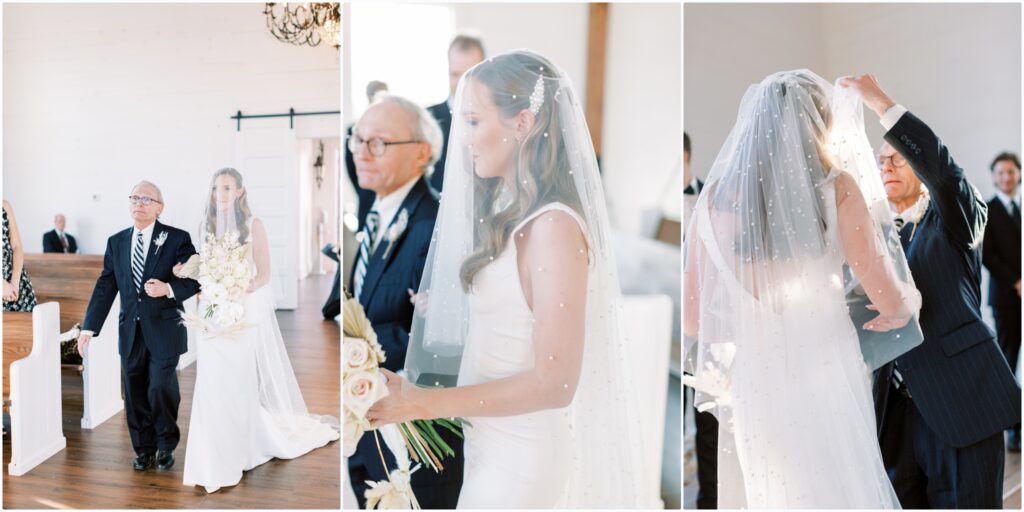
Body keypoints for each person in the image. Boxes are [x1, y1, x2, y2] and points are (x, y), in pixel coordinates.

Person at [366, 50, 647, 508]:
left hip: (523, 457)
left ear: (523, 123)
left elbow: (555, 382)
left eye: (474, 122)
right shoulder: (508, 211)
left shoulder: (553, 228)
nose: (464, 140)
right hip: (488, 443)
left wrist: (421, 402)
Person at [684, 70, 922, 508]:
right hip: (826, 371)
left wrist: (754, 326)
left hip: (758, 380)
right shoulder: (838, 190)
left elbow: (695, 321)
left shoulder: (713, 200)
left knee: (775, 493)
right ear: (820, 126)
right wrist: (906, 305)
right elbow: (891, 301)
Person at [841, 74, 1022, 508]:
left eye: (896, 158)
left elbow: (943, 171)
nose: (885, 166)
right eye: (879, 161)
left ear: (920, 169)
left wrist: (881, 103)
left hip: (961, 400)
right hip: (895, 413)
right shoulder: (874, 234)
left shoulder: (956, 217)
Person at [180, 168, 339, 493]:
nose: (219, 195)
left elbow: (264, 274)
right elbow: (205, 267)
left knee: (237, 381)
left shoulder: (254, 226)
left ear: (239, 192)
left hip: (240, 311)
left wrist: (239, 288)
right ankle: (210, 458)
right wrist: (188, 271)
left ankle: (243, 449)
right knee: (210, 383)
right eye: (215, 188)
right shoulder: (203, 226)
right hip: (210, 313)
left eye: (226, 188)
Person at [345, 94, 464, 508]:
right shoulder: (376, 215)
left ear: (422, 153)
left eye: (378, 142)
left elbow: (443, 344)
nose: (362, 152)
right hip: (371, 431)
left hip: (416, 444)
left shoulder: (437, 226)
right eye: (357, 140)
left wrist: (354, 352)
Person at [78, 182, 200, 471]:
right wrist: (88, 327)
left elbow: (195, 278)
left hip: (165, 329)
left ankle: (166, 444)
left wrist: (168, 289)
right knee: (133, 393)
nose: (139, 203)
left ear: (160, 207)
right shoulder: (116, 241)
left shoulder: (176, 238)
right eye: (134, 198)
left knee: (159, 388)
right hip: (130, 332)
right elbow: (106, 284)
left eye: (147, 199)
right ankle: (144, 449)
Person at [983, 151, 1022, 452]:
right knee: (1008, 362)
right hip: (1007, 299)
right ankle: (1013, 429)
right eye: (1001, 173)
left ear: (1019, 174)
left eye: (1011, 171)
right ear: (994, 176)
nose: (1006, 177)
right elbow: (987, 255)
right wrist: (1016, 282)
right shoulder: (987, 210)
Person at [425, 35, 485, 192]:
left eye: (469, 73)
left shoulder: (495, 119)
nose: (462, 83)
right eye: (455, 74)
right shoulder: (427, 118)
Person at [3, 199, 37, 311]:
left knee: (31, 324)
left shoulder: (4, 205)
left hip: (17, 282)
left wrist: (15, 282)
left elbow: (17, 246)